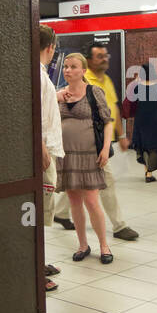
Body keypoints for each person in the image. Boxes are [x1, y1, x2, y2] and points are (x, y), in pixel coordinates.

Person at [53, 42, 139, 241]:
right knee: (80, 183)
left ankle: (64, 213)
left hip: (94, 146)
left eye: (105, 55)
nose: (104, 59)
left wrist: (121, 135)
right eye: (99, 56)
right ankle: (118, 226)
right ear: (88, 62)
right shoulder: (81, 81)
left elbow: (112, 110)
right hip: (74, 150)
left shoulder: (105, 81)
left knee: (95, 182)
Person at [55, 52, 114, 263]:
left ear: (83, 71)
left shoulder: (94, 92)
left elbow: (108, 121)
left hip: (90, 154)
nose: (68, 70)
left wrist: (106, 148)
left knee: (91, 200)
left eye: (73, 67)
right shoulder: (59, 94)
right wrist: (56, 98)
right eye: (66, 67)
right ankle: (82, 244)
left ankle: (104, 245)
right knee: (74, 201)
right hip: (67, 155)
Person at [39, 25, 65, 293]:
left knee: (45, 211)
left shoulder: (41, 76)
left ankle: (39, 260)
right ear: (51, 48)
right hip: (44, 152)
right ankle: (35, 269)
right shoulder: (38, 75)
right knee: (41, 212)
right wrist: (42, 149)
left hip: (48, 149)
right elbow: (34, 115)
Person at [130, 60, 157, 182]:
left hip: (141, 120)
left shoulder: (138, 88)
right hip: (155, 121)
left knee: (143, 146)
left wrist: (136, 81)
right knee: (153, 146)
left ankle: (147, 171)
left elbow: (132, 100)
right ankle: (149, 173)